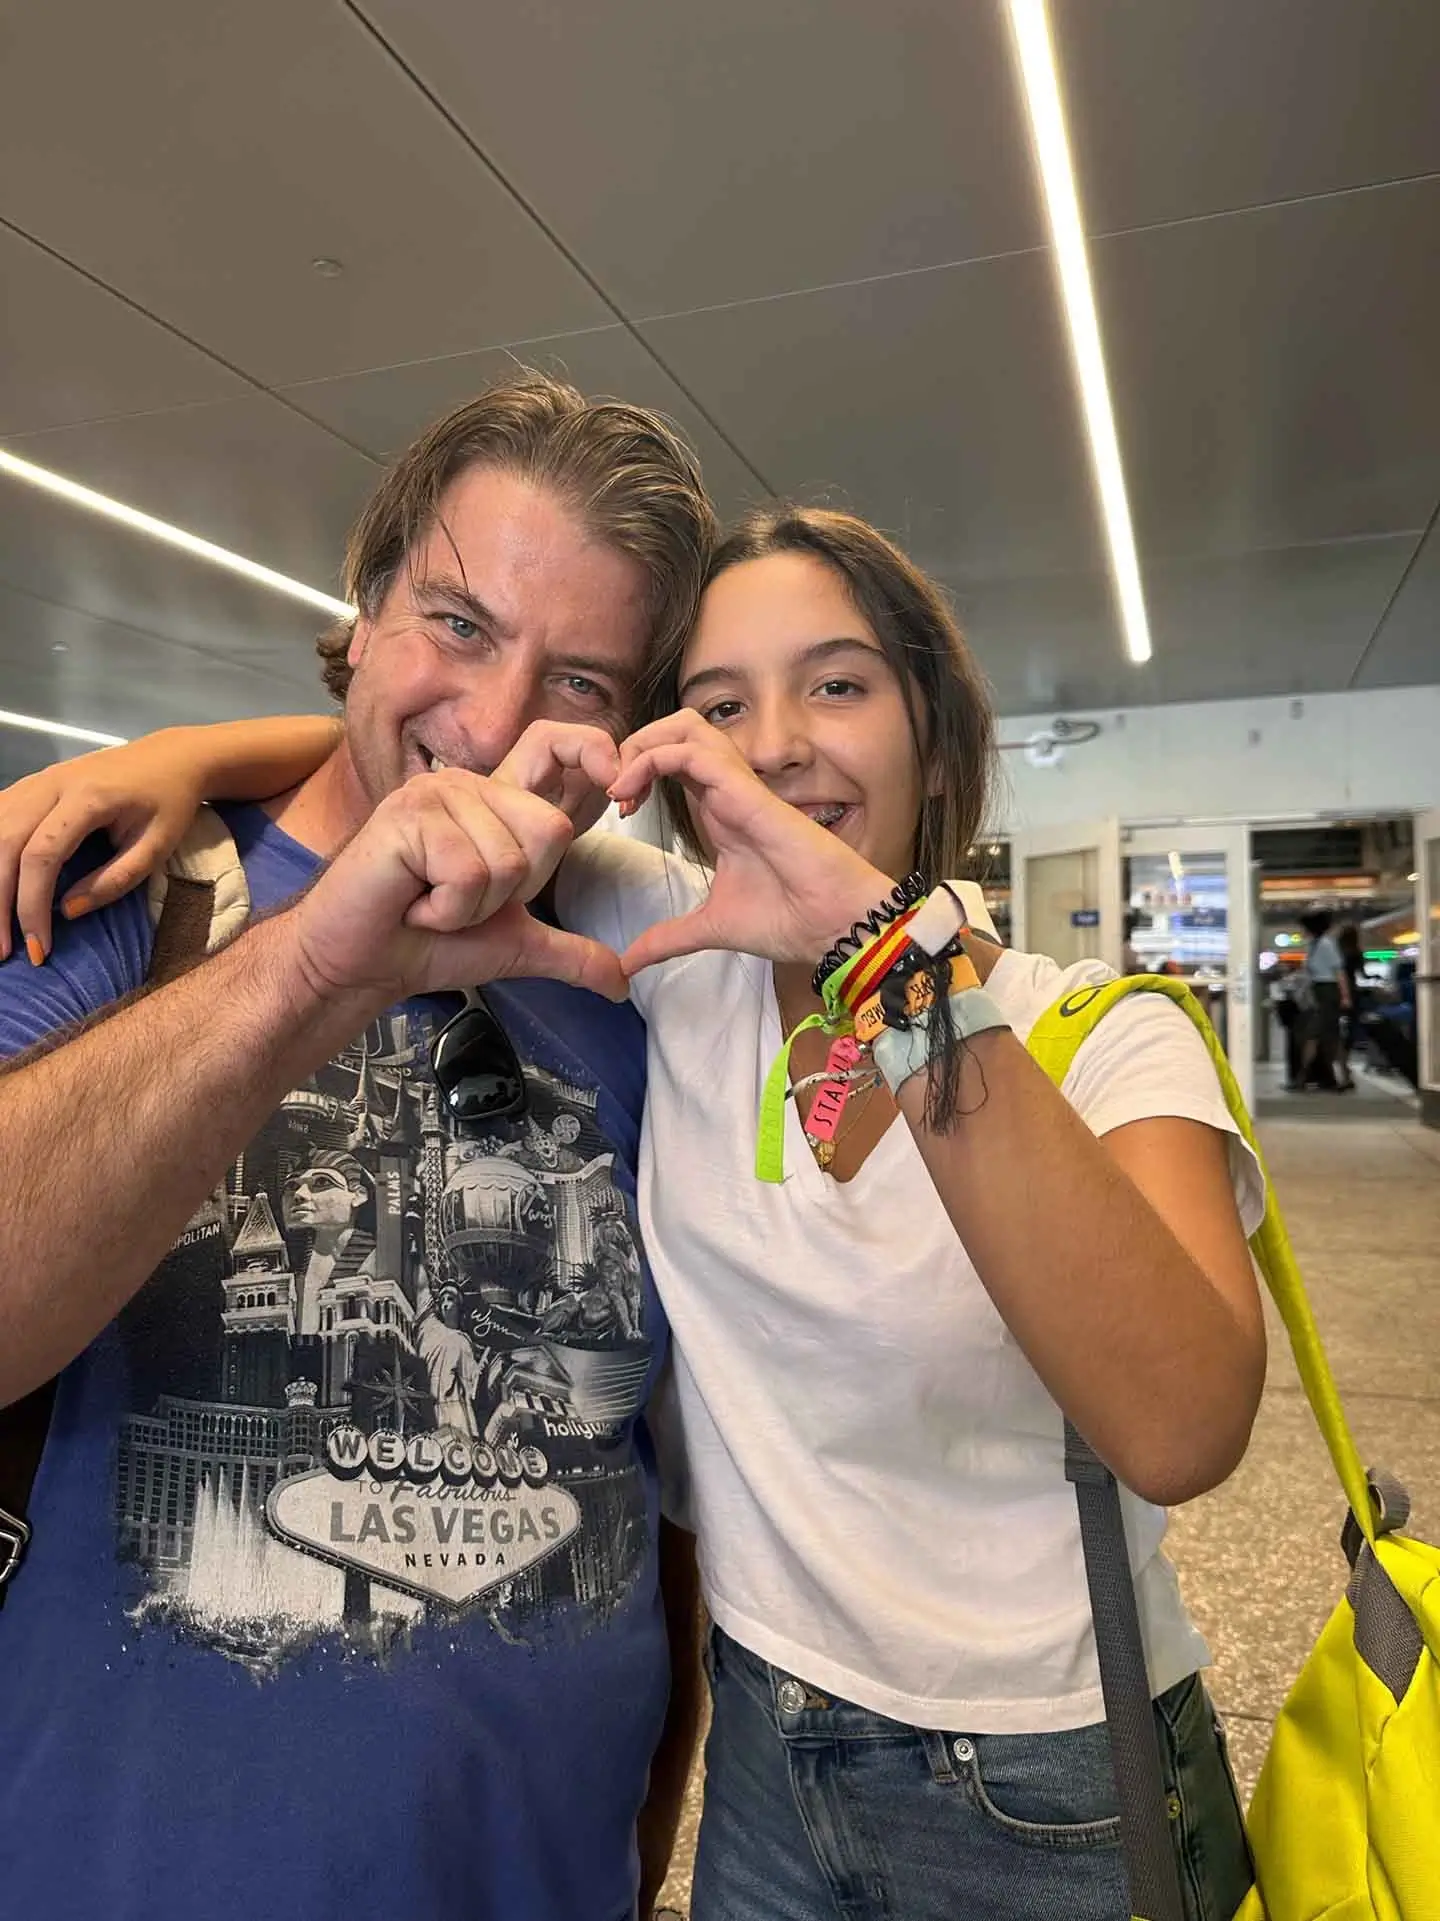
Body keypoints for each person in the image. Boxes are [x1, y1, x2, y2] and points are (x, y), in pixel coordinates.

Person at [2, 507, 1265, 1921]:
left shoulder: (1096, 1034)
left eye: (838, 684)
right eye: (722, 704)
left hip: (1056, 1782)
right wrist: (173, 758)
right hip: (768, 1775)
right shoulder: (666, 958)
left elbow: (1183, 1423)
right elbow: (438, 752)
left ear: (939, 733)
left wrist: (884, 956)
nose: (776, 742)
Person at [0, 371, 718, 1921]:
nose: (496, 718)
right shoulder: (128, 886)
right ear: (368, 601)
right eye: (457, 624)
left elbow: (668, 1489)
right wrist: (314, 967)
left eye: (580, 681)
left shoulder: (649, 969)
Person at [1298, 909, 1350, 1092]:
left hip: (1328, 991)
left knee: (1321, 1035)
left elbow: (1339, 972)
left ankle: (1333, 1078)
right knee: (1323, 1035)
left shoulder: (1327, 944)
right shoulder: (1314, 944)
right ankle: (1339, 1077)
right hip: (1320, 992)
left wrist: (1345, 996)